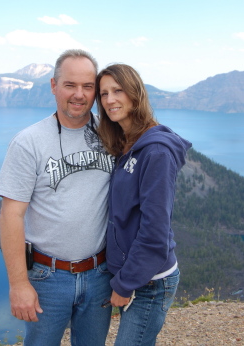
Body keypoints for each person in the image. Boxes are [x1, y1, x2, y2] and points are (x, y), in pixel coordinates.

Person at [0, 49, 115, 346]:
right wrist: (19, 284)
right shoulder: (29, 142)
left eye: (88, 87)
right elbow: (11, 214)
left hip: (101, 273)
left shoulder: (111, 132)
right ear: (53, 86)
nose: (79, 94)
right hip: (49, 278)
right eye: (70, 85)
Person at [96, 64, 192, 346]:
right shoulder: (127, 143)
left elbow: (155, 230)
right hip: (133, 274)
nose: (110, 99)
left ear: (135, 93)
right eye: (103, 94)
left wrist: (126, 284)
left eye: (118, 90)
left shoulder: (157, 151)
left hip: (151, 281)